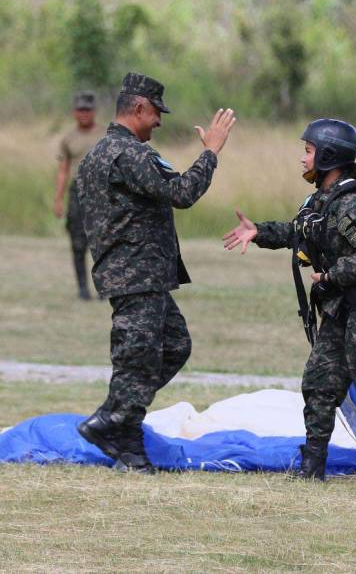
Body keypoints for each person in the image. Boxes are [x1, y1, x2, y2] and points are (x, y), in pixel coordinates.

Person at [222, 118, 356, 488]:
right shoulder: (321, 200)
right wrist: (259, 231)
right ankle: (313, 465)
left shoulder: (353, 203)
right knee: (320, 381)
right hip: (342, 306)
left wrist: (330, 277)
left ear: (328, 156)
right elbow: (299, 231)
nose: (302, 158)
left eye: (308, 152)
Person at [75, 72, 236, 473]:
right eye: (156, 113)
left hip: (132, 272)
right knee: (138, 357)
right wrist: (211, 152)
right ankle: (111, 419)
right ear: (140, 108)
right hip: (137, 274)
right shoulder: (129, 154)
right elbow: (181, 193)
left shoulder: (98, 153)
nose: (159, 122)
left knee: (171, 346)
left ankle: (124, 437)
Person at [54, 91, 102, 300]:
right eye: (80, 109)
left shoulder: (106, 134)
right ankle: (83, 289)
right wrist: (58, 199)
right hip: (77, 193)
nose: (84, 113)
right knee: (77, 242)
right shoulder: (68, 138)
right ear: (74, 112)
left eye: (87, 109)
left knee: (103, 243)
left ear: (94, 111)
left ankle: (105, 287)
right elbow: (63, 170)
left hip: (102, 193)